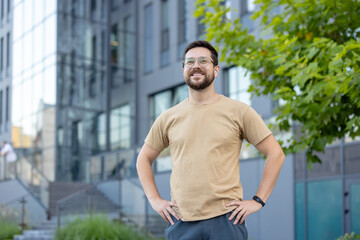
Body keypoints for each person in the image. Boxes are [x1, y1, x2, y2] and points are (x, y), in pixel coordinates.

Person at [136, 40, 285, 240]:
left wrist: (258, 200)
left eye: (203, 61)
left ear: (216, 70)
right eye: (189, 62)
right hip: (181, 222)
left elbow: (276, 154)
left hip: (226, 221)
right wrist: (155, 200)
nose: (195, 65)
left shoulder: (239, 111)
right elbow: (143, 159)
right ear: (183, 70)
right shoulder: (167, 118)